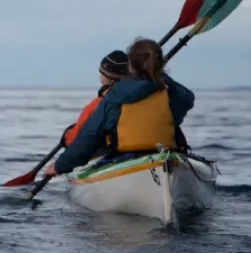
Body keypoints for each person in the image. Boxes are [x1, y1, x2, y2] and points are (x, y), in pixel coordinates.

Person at [45, 37, 195, 177]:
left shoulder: (113, 97)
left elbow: (88, 137)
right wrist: (160, 76)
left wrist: (60, 166)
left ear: (130, 66)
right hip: (164, 155)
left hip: (125, 159)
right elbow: (188, 98)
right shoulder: (172, 94)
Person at [60, 49, 129, 149]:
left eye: (101, 73)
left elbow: (73, 140)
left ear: (106, 78)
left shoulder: (98, 105)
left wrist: (67, 135)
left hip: (111, 152)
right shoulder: (141, 97)